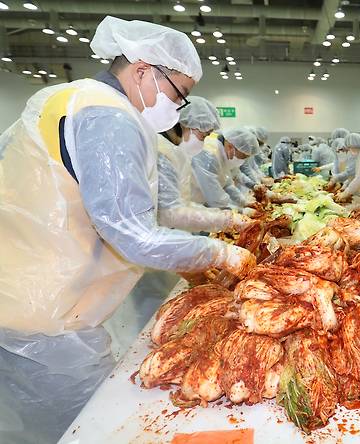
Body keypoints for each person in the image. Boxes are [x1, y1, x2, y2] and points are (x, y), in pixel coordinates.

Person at [0, 16, 257, 444]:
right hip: (47, 315)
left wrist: (223, 224)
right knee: (84, 429)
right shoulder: (109, 116)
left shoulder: (61, 98)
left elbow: (151, 211)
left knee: (51, 426)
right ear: (142, 70)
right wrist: (220, 254)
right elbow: (134, 233)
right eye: (179, 94)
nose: (177, 109)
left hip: (20, 291)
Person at [158, 96, 252, 232]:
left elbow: (182, 205)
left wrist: (229, 216)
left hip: (179, 226)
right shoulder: (162, 152)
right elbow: (171, 213)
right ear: (187, 124)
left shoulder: (177, 153)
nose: (204, 141)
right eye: (204, 135)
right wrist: (228, 219)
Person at [193, 127, 260, 208]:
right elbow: (215, 200)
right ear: (231, 147)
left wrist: (243, 201)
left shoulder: (224, 155)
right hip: (196, 204)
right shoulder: (210, 157)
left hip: (207, 204)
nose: (242, 161)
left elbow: (226, 183)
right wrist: (240, 211)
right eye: (243, 156)